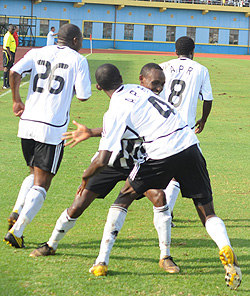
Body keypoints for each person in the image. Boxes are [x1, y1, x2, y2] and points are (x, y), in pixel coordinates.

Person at [77, 63, 240, 290]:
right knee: (207, 211)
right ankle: (225, 249)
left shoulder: (114, 108)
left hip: (162, 151)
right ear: (123, 78)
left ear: (98, 87)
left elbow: (103, 159)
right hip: (190, 144)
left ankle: (101, 261)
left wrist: (85, 178)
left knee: (123, 197)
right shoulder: (140, 89)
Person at [29, 63, 180, 274]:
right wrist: (91, 132)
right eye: (155, 83)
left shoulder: (140, 96)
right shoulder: (121, 104)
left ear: (98, 87)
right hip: (112, 162)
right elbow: (116, 130)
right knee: (78, 205)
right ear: (136, 78)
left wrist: (90, 142)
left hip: (137, 162)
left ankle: (165, 256)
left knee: (159, 198)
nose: (158, 89)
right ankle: (51, 244)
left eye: (161, 84)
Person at [4, 23, 92, 249]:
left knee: (33, 173)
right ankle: (18, 230)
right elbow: (83, 96)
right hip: (52, 127)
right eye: (80, 40)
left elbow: (14, 71)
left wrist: (16, 100)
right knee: (43, 183)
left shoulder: (37, 52)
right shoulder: (78, 60)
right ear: (74, 41)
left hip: (28, 123)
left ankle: (16, 210)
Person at [159, 36, 213, 222]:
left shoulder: (163, 66)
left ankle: (165, 210)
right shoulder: (201, 69)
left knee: (169, 169)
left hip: (161, 126)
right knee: (183, 172)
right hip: (185, 129)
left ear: (175, 51)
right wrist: (204, 120)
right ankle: (165, 211)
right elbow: (208, 99)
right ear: (193, 51)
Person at [2, 25, 16, 89]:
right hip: (7, 53)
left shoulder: (11, 35)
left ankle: (8, 83)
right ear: (9, 29)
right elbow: (7, 46)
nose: (13, 31)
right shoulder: (8, 36)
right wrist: (10, 55)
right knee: (6, 68)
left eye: (14, 29)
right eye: (12, 29)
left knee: (10, 68)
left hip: (11, 53)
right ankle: (4, 84)